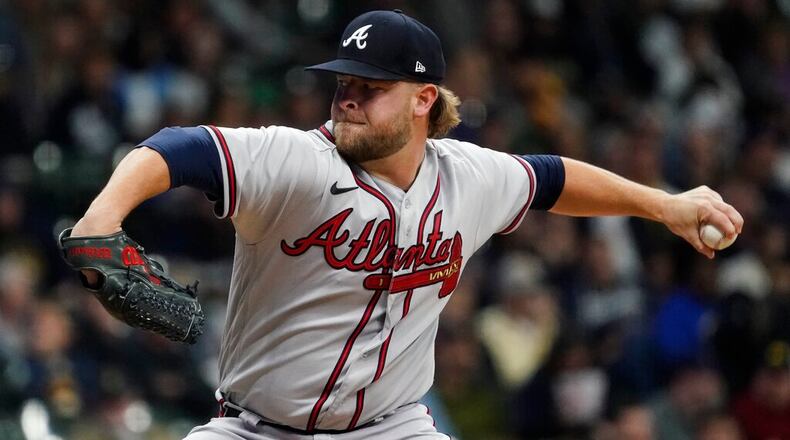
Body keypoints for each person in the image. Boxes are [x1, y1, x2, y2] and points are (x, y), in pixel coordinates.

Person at [67, 9, 743, 440]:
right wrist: (103, 217)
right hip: (256, 429)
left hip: (391, 429)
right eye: (342, 84)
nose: (348, 100)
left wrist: (667, 205)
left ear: (424, 100)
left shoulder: (466, 178)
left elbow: (554, 178)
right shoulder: (299, 159)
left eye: (370, 88)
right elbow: (179, 149)